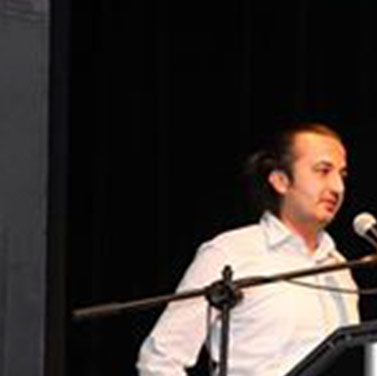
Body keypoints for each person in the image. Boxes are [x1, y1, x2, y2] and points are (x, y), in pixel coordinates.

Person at [137, 123, 359, 376]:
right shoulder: (230, 253)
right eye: (323, 171)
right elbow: (160, 360)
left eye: (342, 175)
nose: (338, 187)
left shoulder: (339, 268)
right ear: (280, 181)